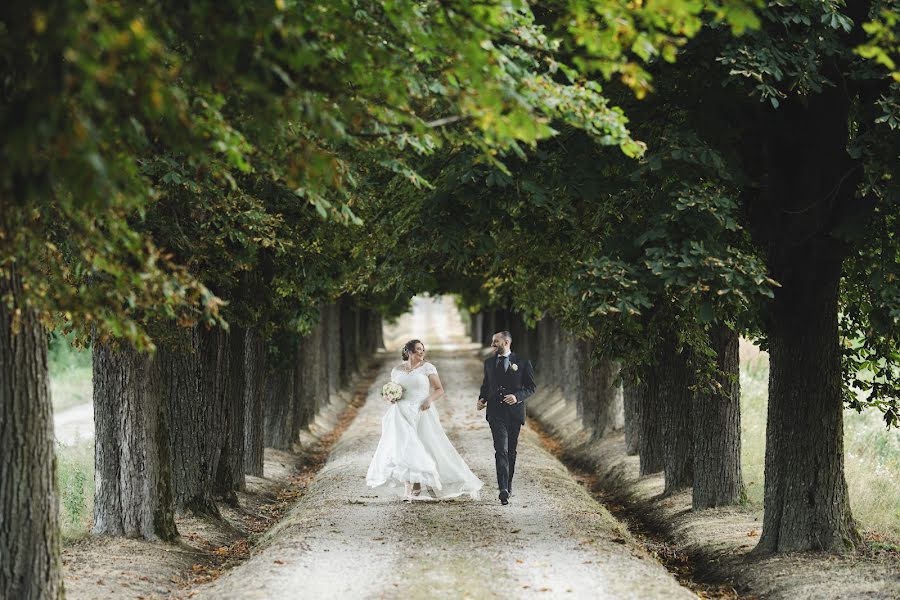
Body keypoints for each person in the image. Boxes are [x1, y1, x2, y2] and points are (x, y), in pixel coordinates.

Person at [367, 339, 483, 501]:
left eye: (423, 350)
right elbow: (395, 390)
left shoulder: (428, 368)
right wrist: (391, 397)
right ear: (409, 352)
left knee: (426, 445)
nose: (422, 352)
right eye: (418, 349)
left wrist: (429, 400)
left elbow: (439, 389)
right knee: (403, 446)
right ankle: (409, 486)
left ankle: (422, 481)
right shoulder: (396, 370)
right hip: (400, 412)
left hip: (421, 411)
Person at [477, 331, 536, 505]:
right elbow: (486, 384)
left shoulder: (523, 363)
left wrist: (517, 397)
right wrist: (482, 398)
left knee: (511, 451)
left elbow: (531, 387)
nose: (493, 344)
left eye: (496, 341)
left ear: (506, 342)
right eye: (492, 341)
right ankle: (502, 488)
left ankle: (508, 486)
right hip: (495, 412)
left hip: (514, 413)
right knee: (500, 449)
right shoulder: (489, 363)